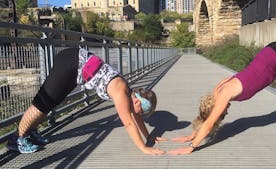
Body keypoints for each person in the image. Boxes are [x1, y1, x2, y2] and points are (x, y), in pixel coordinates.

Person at [7, 47, 165, 155]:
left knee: (50, 104)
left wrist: (149, 136)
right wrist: (144, 148)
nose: (140, 115)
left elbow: (134, 117)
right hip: (71, 62)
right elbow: (129, 123)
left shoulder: (130, 94)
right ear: (137, 102)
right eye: (142, 112)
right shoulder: (120, 92)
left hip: (75, 68)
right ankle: (17, 139)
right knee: (42, 103)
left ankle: (30, 133)